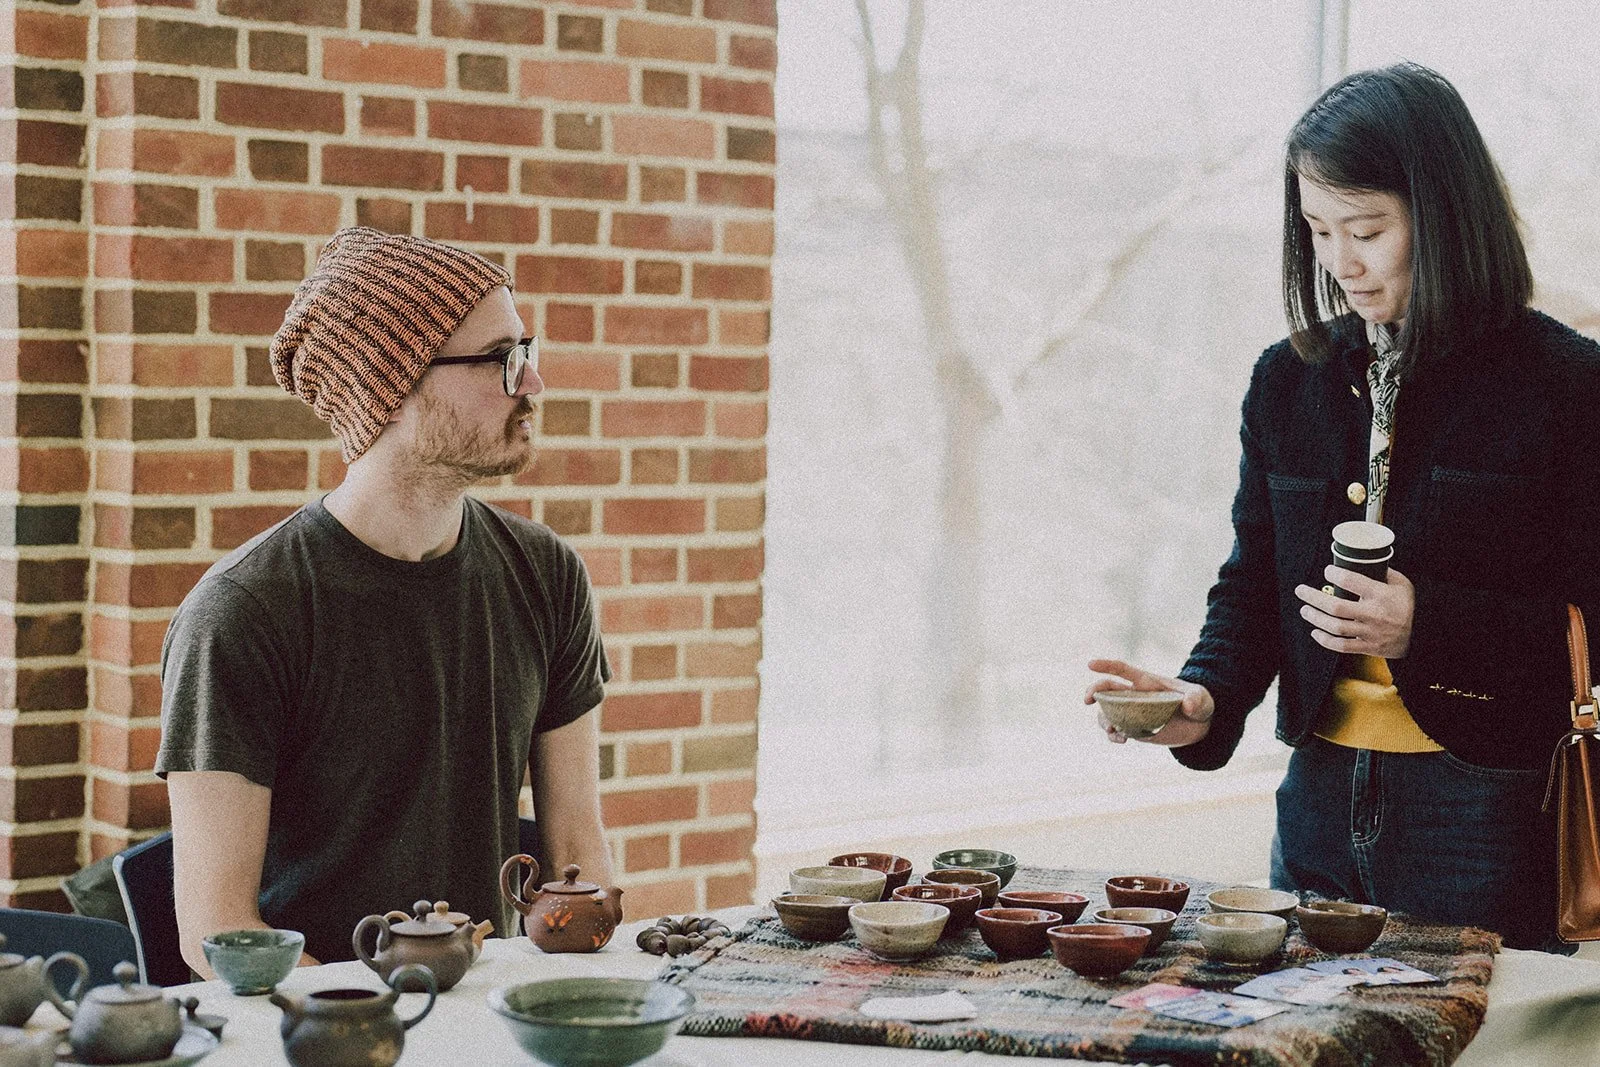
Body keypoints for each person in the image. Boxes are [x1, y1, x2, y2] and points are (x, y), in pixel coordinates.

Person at [1084, 63, 1600, 952]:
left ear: (1444, 215)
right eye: (1319, 230)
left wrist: (1426, 624)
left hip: (1489, 807)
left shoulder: (1567, 384)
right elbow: (1254, 582)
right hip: (1315, 796)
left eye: (1367, 229)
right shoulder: (1288, 381)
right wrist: (1203, 695)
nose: (1340, 262)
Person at [156, 228, 615, 974]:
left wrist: (572, 1003)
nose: (532, 385)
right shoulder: (241, 614)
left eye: (525, 353)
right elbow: (220, 931)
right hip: (321, 1031)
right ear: (391, 385)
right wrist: (378, 1030)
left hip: (488, 1013)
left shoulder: (548, 574)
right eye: (500, 361)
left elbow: (577, 853)